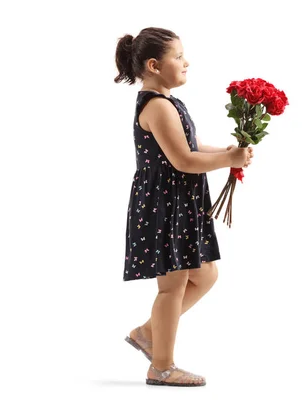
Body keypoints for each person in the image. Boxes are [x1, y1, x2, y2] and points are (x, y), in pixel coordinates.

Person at [114, 27, 253, 387]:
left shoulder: (169, 102)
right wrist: (226, 160)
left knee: (204, 274)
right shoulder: (157, 106)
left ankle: (147, 333)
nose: (185, 61)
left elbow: (194, 146)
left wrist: (229, 153)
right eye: (178, 56)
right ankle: (161, 366)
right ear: (154, 65)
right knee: (172, 285)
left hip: (179, 203)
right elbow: (183, 161)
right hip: (165, 206)